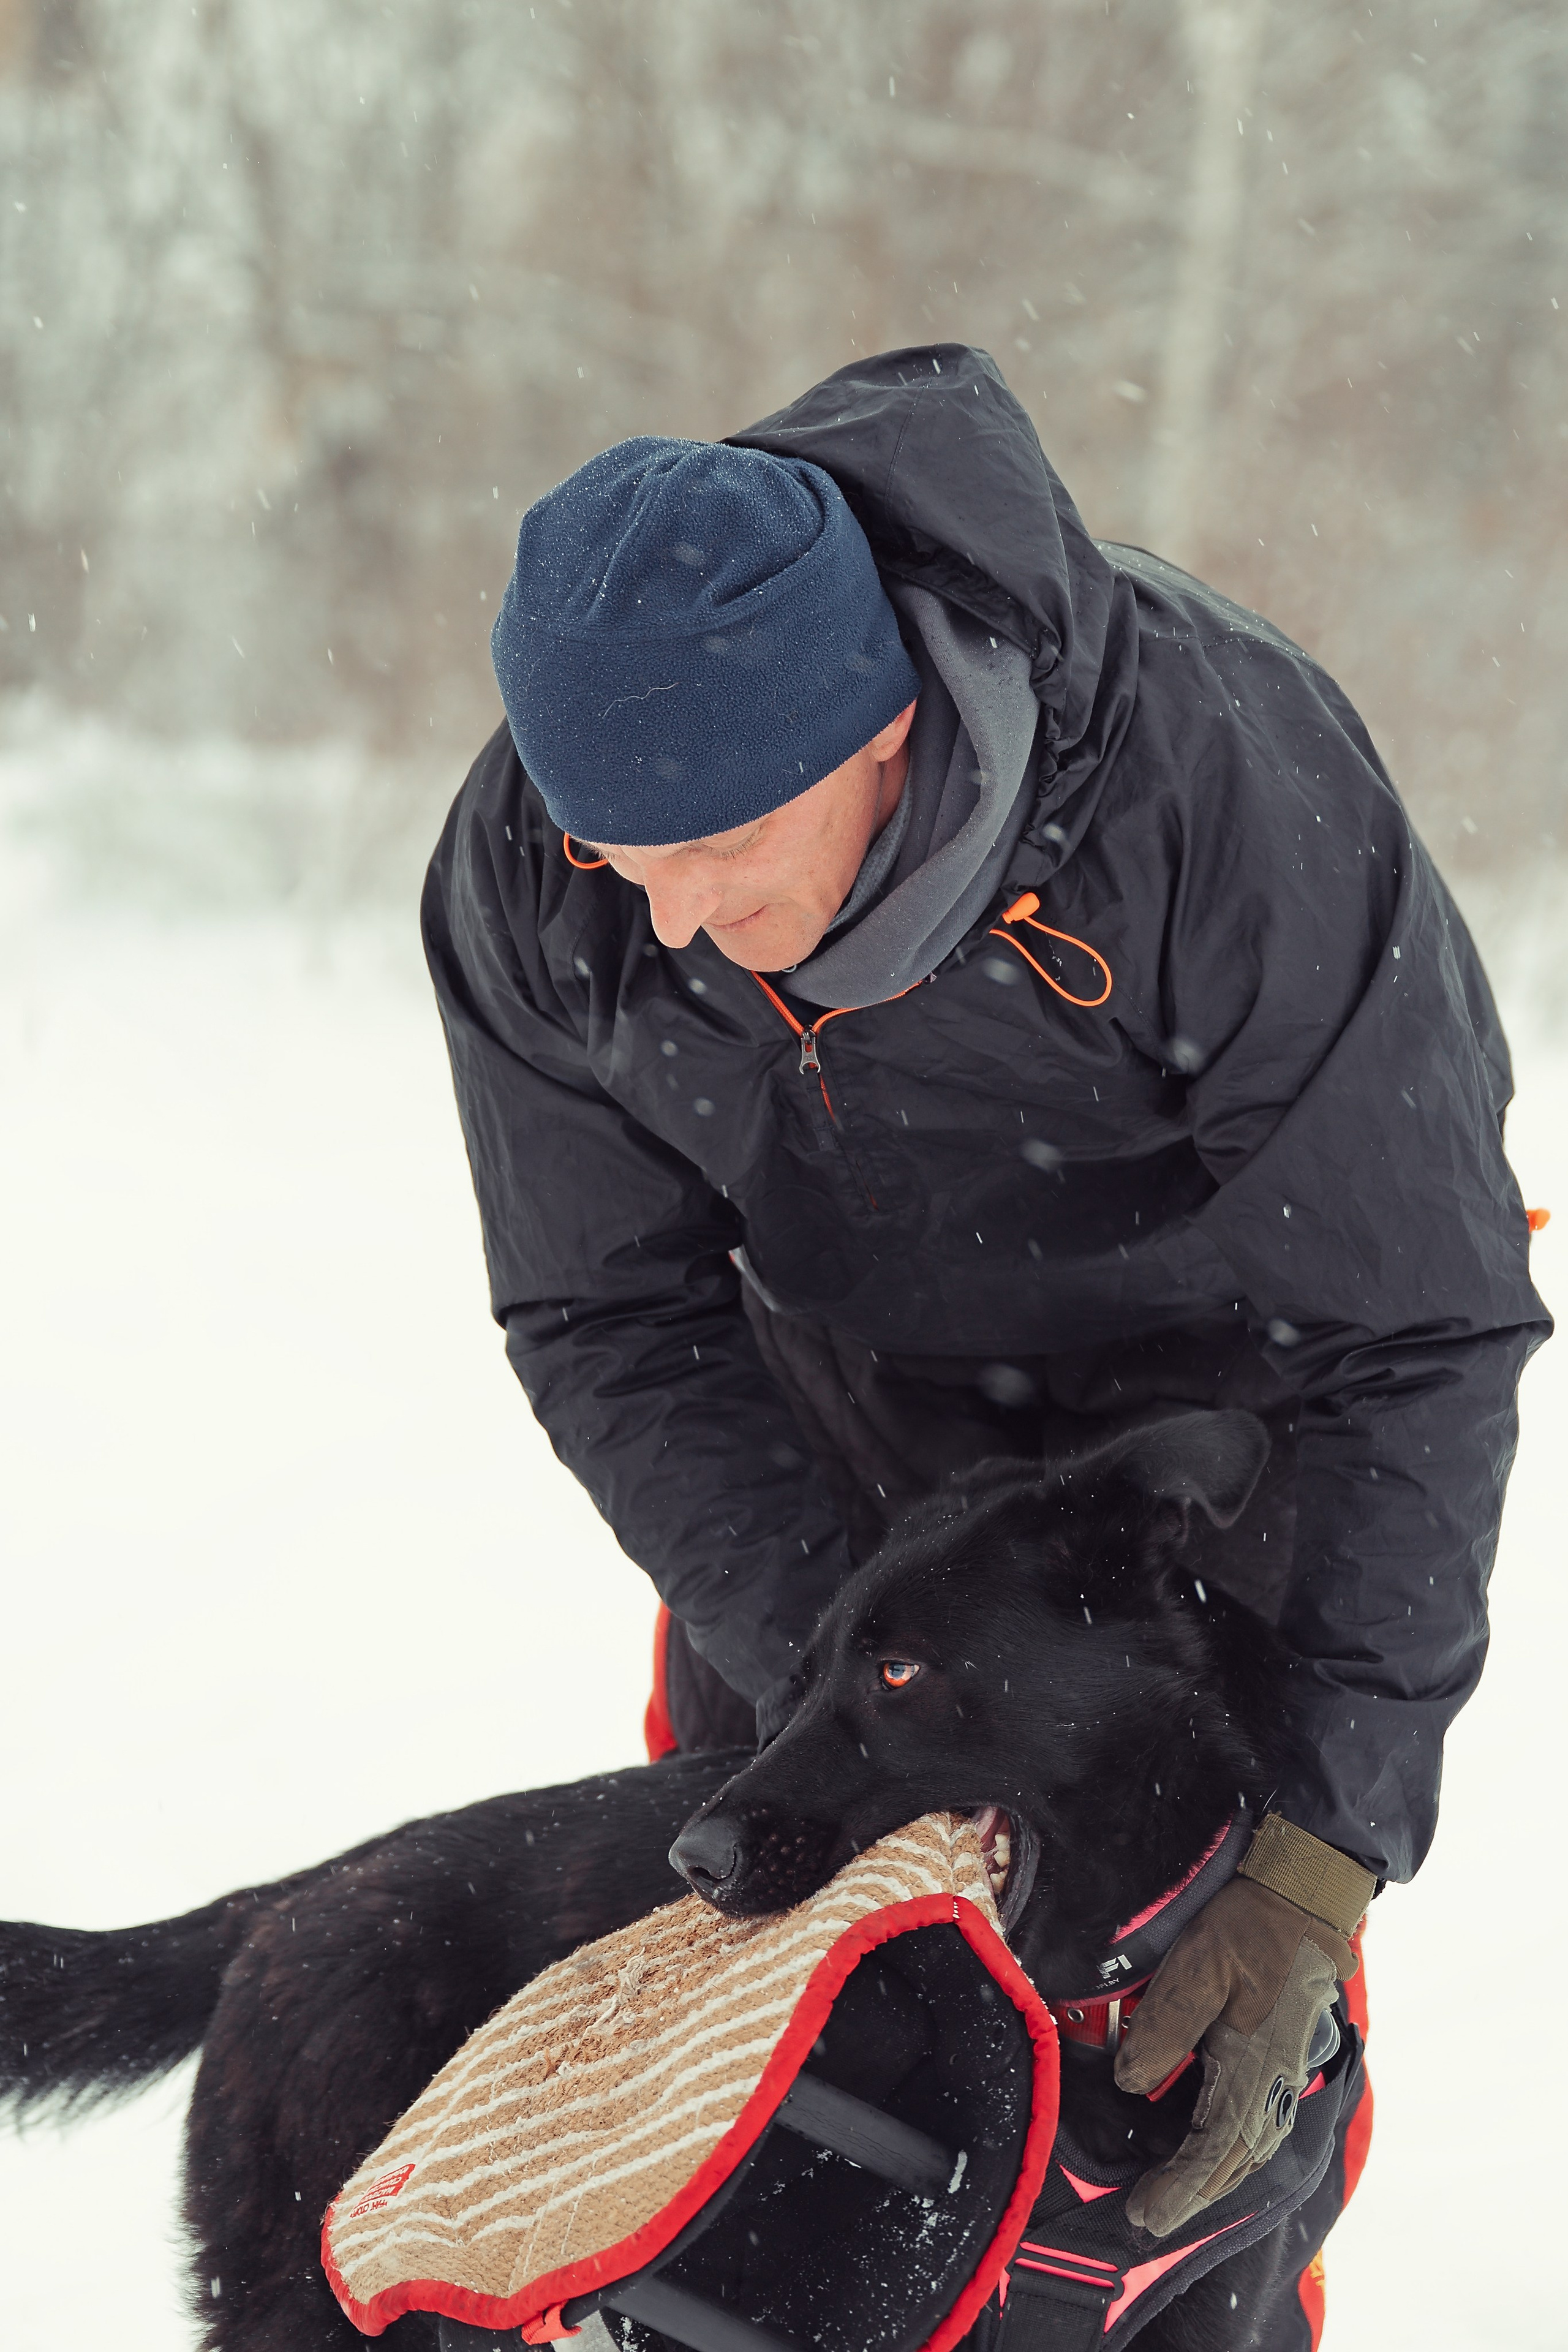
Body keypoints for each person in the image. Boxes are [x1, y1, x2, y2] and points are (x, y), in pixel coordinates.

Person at [422, 345, 1548, 2259]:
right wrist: (836, 1670)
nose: (667, 919)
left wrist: (1317, 1855)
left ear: (871, 734)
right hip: (836, 1412)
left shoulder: (1218, 786)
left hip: (1206, 1447)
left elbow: (1418, 1328)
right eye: (623, 855)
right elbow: (609, 1316)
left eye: (715, 849)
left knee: (1177, 2066)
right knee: (786, 2039)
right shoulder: (538, 876)